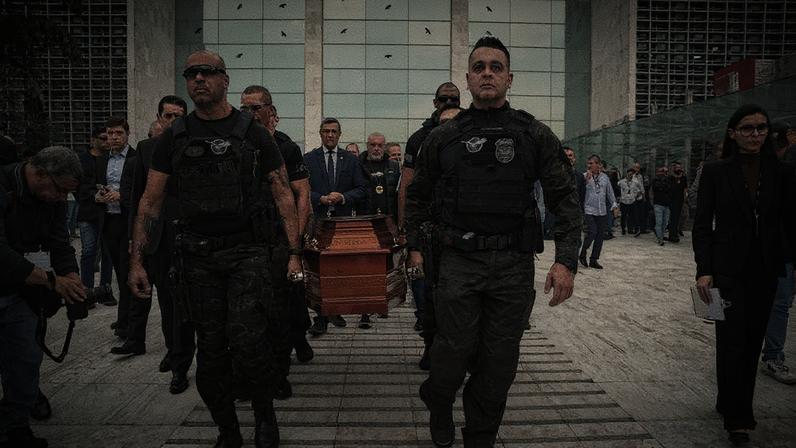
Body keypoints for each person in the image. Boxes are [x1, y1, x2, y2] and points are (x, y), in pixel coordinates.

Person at [405, 36, 581, 448]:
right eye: (479, 66)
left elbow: (564, 199)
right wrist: (415, 247)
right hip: (457, 263)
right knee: (451, 350)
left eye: (496, 67)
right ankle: (438, 398)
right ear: (467, 79)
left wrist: (566, 261)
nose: (487, 73)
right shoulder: (443, 138)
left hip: (512, 264)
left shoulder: (533, 134)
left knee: (499, 362)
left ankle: (480, 436)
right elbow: (416, 197)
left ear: (509, 78)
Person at [128, 50, 304, 448]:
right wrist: (136, 260)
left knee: (249, 340)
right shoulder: (174, 136)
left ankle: (264, 416)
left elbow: (282, 192)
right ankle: (227, 429)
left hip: (248, 253)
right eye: (192, 74)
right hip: (197, 257)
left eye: (208, 73)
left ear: (225, 80)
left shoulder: (252, 131)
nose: (199, 80)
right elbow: (150, 202)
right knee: (209, 351)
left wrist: (294, 252)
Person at [693, 104, 796, 447]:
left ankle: (732, 403)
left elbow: (788, 222)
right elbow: (702, 225)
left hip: (765, 270)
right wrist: (704, 270)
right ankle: (739, 419)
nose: (756, 135)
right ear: (733, 132)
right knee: (730, 341)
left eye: (762, 128)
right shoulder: (715, 172)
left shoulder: (782, 173)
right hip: (726, 272)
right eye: (748, 128)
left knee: (751, 344)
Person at [0, 146, 86, 448]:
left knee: (25, 360)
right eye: (60, 191)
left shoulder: (55, 199)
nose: (63, 199)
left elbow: (59, 241)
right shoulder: (4, 186)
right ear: (39, 174)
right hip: (12, 279)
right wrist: (52, 280)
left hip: (23, 295)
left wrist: (71, 276)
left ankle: (17, 427)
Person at [241, 85, 314, 400]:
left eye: (255, 108)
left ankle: (279, 373)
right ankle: (246, 375)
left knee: (280, 309)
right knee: (245, 314)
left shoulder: (285, 147)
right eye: (244, 108)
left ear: (270, 111)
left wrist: (295, 242)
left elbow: (302, 195)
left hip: (278, 239)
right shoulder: (236, 145)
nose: (249, 114)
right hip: (244, 239)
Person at [125, 95, 195, 394]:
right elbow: (139, 200)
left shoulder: (196, 146)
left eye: (179, 116)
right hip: (160, 242)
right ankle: (178, 362)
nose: (173, 121)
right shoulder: (147, 150)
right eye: (168, 116)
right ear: (159, 118)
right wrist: (135, 244)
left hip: (194, 239)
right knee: (169, 305)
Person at [398, 84, 461, 369]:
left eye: (454, 99)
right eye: (444, 99)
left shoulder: (471, 131)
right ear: (434, 102)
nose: (448, 102)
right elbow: (408, 186)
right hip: (426, 228)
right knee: (425, 293)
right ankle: (430, 345)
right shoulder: (419, 139)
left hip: (461, 230)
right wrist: (405, 230)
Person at [304, 117, 368, 336]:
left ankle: (335, 308)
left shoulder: (350, 160)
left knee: (339, 268)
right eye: (326, 131)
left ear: (339, 135)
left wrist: (342, 197)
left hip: (342, 222)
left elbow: (362, 188)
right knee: (318, 270)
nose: (330, 135)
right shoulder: (309, 159)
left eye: (334, 131)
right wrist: (318, 198)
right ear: (320, 133)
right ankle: (321, 317)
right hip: (318, 222)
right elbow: (301, 190)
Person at [759, 120, 796, 385]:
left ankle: (772, 355)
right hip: (761, 252)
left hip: (783, 251)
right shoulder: (734, 172)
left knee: (780, 304)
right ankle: (770, 356)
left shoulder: (787, 173)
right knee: (778, 305)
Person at [97, 117, 137, 341]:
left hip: (127, 221)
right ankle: (124, 318)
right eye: (110, 133)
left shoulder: (135, 158)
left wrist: (121, 195)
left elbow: (140, 190)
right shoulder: (102, 161)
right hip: (108, 221)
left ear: (127, 134)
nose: (113, 137)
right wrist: (99, 195)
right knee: (118, 273)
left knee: (127, 273)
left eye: (118, 133)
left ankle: (126, 322)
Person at [76, 127, 115, 303]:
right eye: (104, 138)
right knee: (89, 252)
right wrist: (93, 196)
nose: (108, 141)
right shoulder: (81, 160)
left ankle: (105, 291)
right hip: (88, 213)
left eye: (110, 138)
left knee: (107, 253)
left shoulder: (111, 159)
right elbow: (77, 186)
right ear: (93, 140)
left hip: (109, 213)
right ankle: (87, 293)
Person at [579, 154, 618, 269]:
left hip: (602, 211)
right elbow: (580, 192)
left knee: (600, 236)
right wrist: (586, 181)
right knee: (592, 232)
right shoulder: (584, 176)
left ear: (598, 165)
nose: (589, 165)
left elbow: (610, 193)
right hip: (589, 209)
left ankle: (594, 259)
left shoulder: (605, 178)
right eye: (588, 163)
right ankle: (583, 253)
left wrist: (614, 205)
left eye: (591, 163)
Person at [667, 161, 687, 242]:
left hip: (680, 200)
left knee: (677, 217)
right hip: (672, 200)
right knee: (673, 218)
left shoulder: (683, 178)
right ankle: (672, 235)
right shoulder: (670, 177)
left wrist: (685, 198)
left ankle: (675, 233)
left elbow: (685, 189)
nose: (679, 169)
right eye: (677, 167)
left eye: (680, 167)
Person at [618, 168, 641, 235]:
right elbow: (617, 186)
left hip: (632, 201)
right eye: (629, 174)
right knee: (623, 216)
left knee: (634, 216)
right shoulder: (621, 182)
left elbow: (639, 191)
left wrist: (635, 197)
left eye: (631, 174)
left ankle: (636, 229)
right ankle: (623, 229)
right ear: (627, 174)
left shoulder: (635, 183)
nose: (630, 175)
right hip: (624, 201)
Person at [651, 166, 671, 246]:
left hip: (667, 204)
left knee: (665, 222)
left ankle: (661, 235)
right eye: (661, 171)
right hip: (658, 204)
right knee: (659, 222)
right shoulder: (655, 180)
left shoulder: (668, 180)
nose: (663, 173)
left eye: (664, 172)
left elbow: (669, 189)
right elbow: (657, 188)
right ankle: (660, 238)